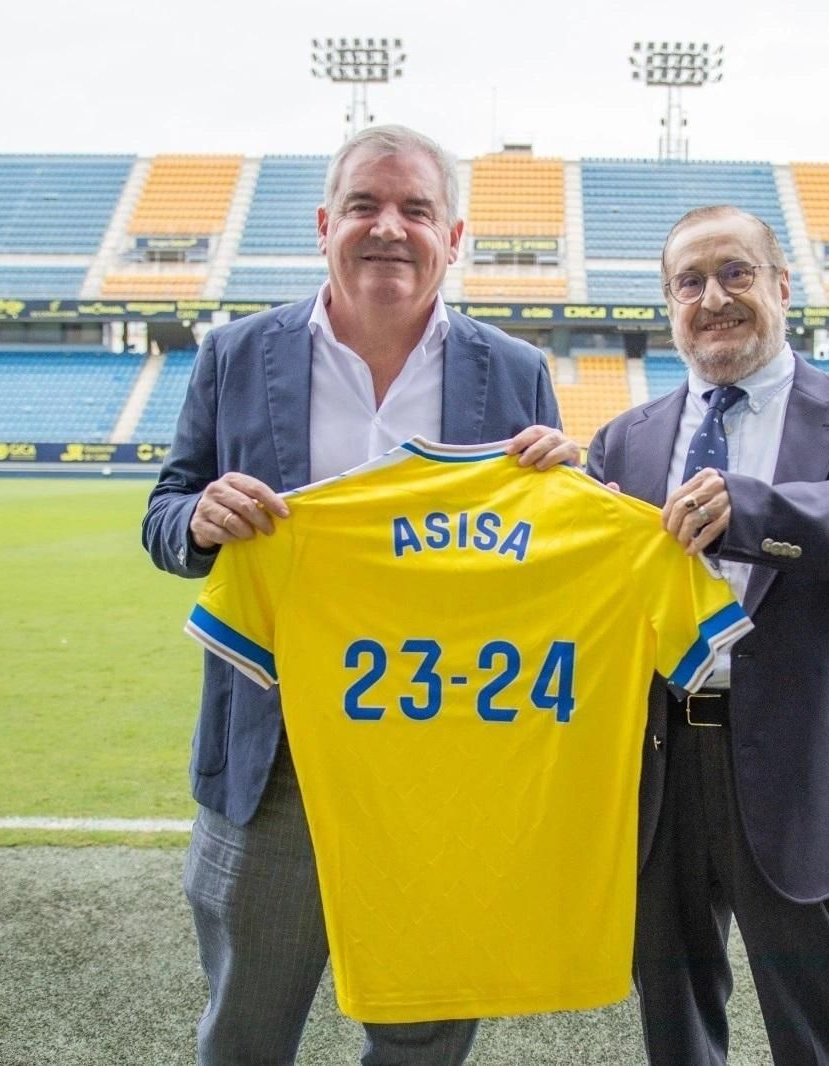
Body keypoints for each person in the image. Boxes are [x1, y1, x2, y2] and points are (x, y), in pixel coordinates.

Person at [142, 124, 576, 1066]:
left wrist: (570, 486)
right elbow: (164, 512)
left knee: (423, 1038)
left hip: (449, 766)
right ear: (323, 223)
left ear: (453, 236)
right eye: (365, 205)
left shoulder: (516, 373)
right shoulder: (234, 354)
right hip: (276, 761)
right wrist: (199, 519)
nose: (390, 227)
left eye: (416, 209)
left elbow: (545, 565)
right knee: (246, 1033)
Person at [587, 205, 829, 1065]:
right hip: (655, 777)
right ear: (668, 304)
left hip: (806, 772)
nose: (713, 297)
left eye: (735, 273)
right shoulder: (624, 439)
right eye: (689, 282)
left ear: (781, 287)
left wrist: (756, 510)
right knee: (674, 1029)